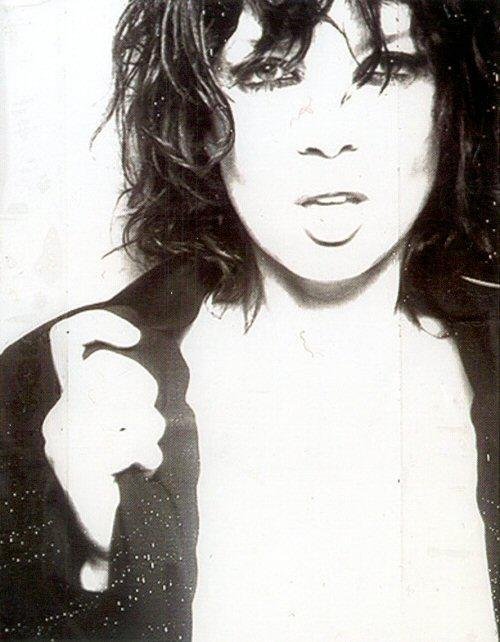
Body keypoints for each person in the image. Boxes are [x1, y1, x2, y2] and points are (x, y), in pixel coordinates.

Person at [1, 0, 497, 639]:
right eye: (270, 73)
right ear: (201, 114)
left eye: (386, 70)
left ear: (449, 102)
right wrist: (93, 563)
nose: (329, 134)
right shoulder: (43, 390)